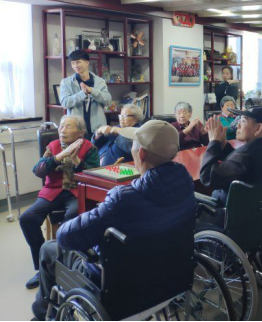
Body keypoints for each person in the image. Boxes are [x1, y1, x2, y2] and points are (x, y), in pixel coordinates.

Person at [31, 120, 195, 321]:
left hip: (125, 291)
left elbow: (65, 237)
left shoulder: (123, 199)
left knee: (48, 249)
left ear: (141, 154)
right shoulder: (186, 182)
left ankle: (42, 315)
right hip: (172, 279)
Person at [20, 115, 99, 290]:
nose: (62, 130)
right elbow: (38, 171)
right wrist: (59, 157)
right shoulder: (52, 146)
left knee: (72, 216)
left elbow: (94, 174)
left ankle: (68, 264)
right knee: (27, 218)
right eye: (61, 126)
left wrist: (77, 161)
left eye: (68, 127)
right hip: (53, 191)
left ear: (81, 132)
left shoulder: (89, 147)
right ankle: (43, 266)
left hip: (76, 191)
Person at [200, 106, 262, 203]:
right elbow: (238, 162)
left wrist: (213, 141)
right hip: (259, 208)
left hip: (227, 208)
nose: (237, 125)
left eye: (243, 121)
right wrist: (223, 144)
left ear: (258, 128)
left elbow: (207, 176)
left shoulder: (245, 157)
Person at [59, 50, 112, 137]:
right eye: (73, 63)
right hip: (76, 128)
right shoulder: (66, 82)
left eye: (78, 62)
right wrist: (82, 94)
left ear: (87, 63)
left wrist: (92, 91)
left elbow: (107, 99)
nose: (75, 66)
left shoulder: (99, 81)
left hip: (97, 128)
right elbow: (65, 103)